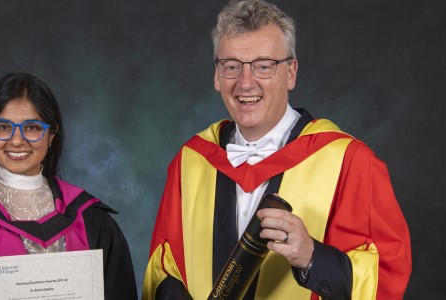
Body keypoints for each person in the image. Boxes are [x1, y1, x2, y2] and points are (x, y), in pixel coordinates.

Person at [143, 1, 411, 299]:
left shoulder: (349, 161)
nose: (246, 83)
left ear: (291, 72)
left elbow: (387, 276)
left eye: (264, 66)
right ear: (217, 76)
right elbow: (163, 269)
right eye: (231, 66)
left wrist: (312, 258)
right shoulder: (190, 162)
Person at [0, 72, 137, 299]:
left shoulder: (90, 218)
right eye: (2, 127)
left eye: (32, 127)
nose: (17, 140)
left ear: (51, 134)